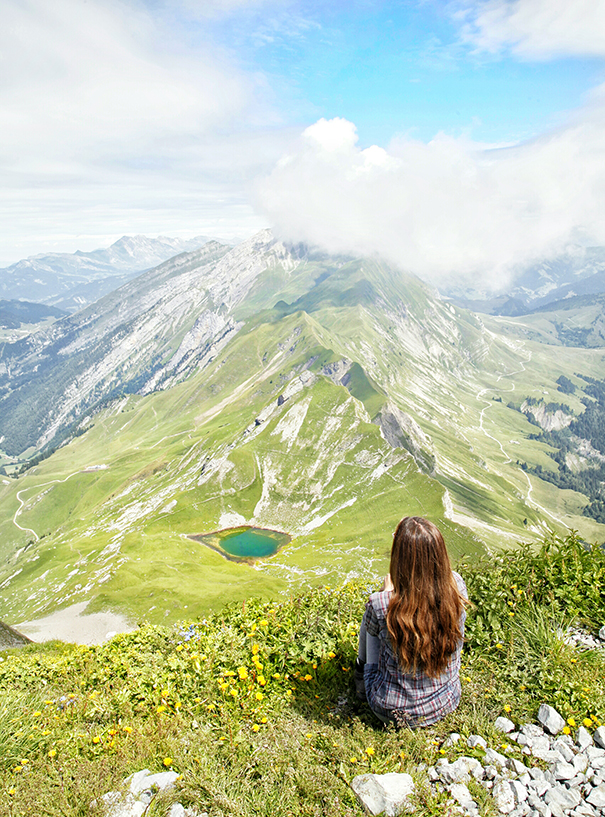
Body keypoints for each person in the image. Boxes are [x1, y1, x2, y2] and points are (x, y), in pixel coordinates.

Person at [355, 516, 468, 728]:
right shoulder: (457, 587)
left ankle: (360, 678)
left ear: (401, 556)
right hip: (446, 700)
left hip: (390, 710)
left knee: (372, 614)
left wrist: (385, 594)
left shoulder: (383, 604)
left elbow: (383, 613)